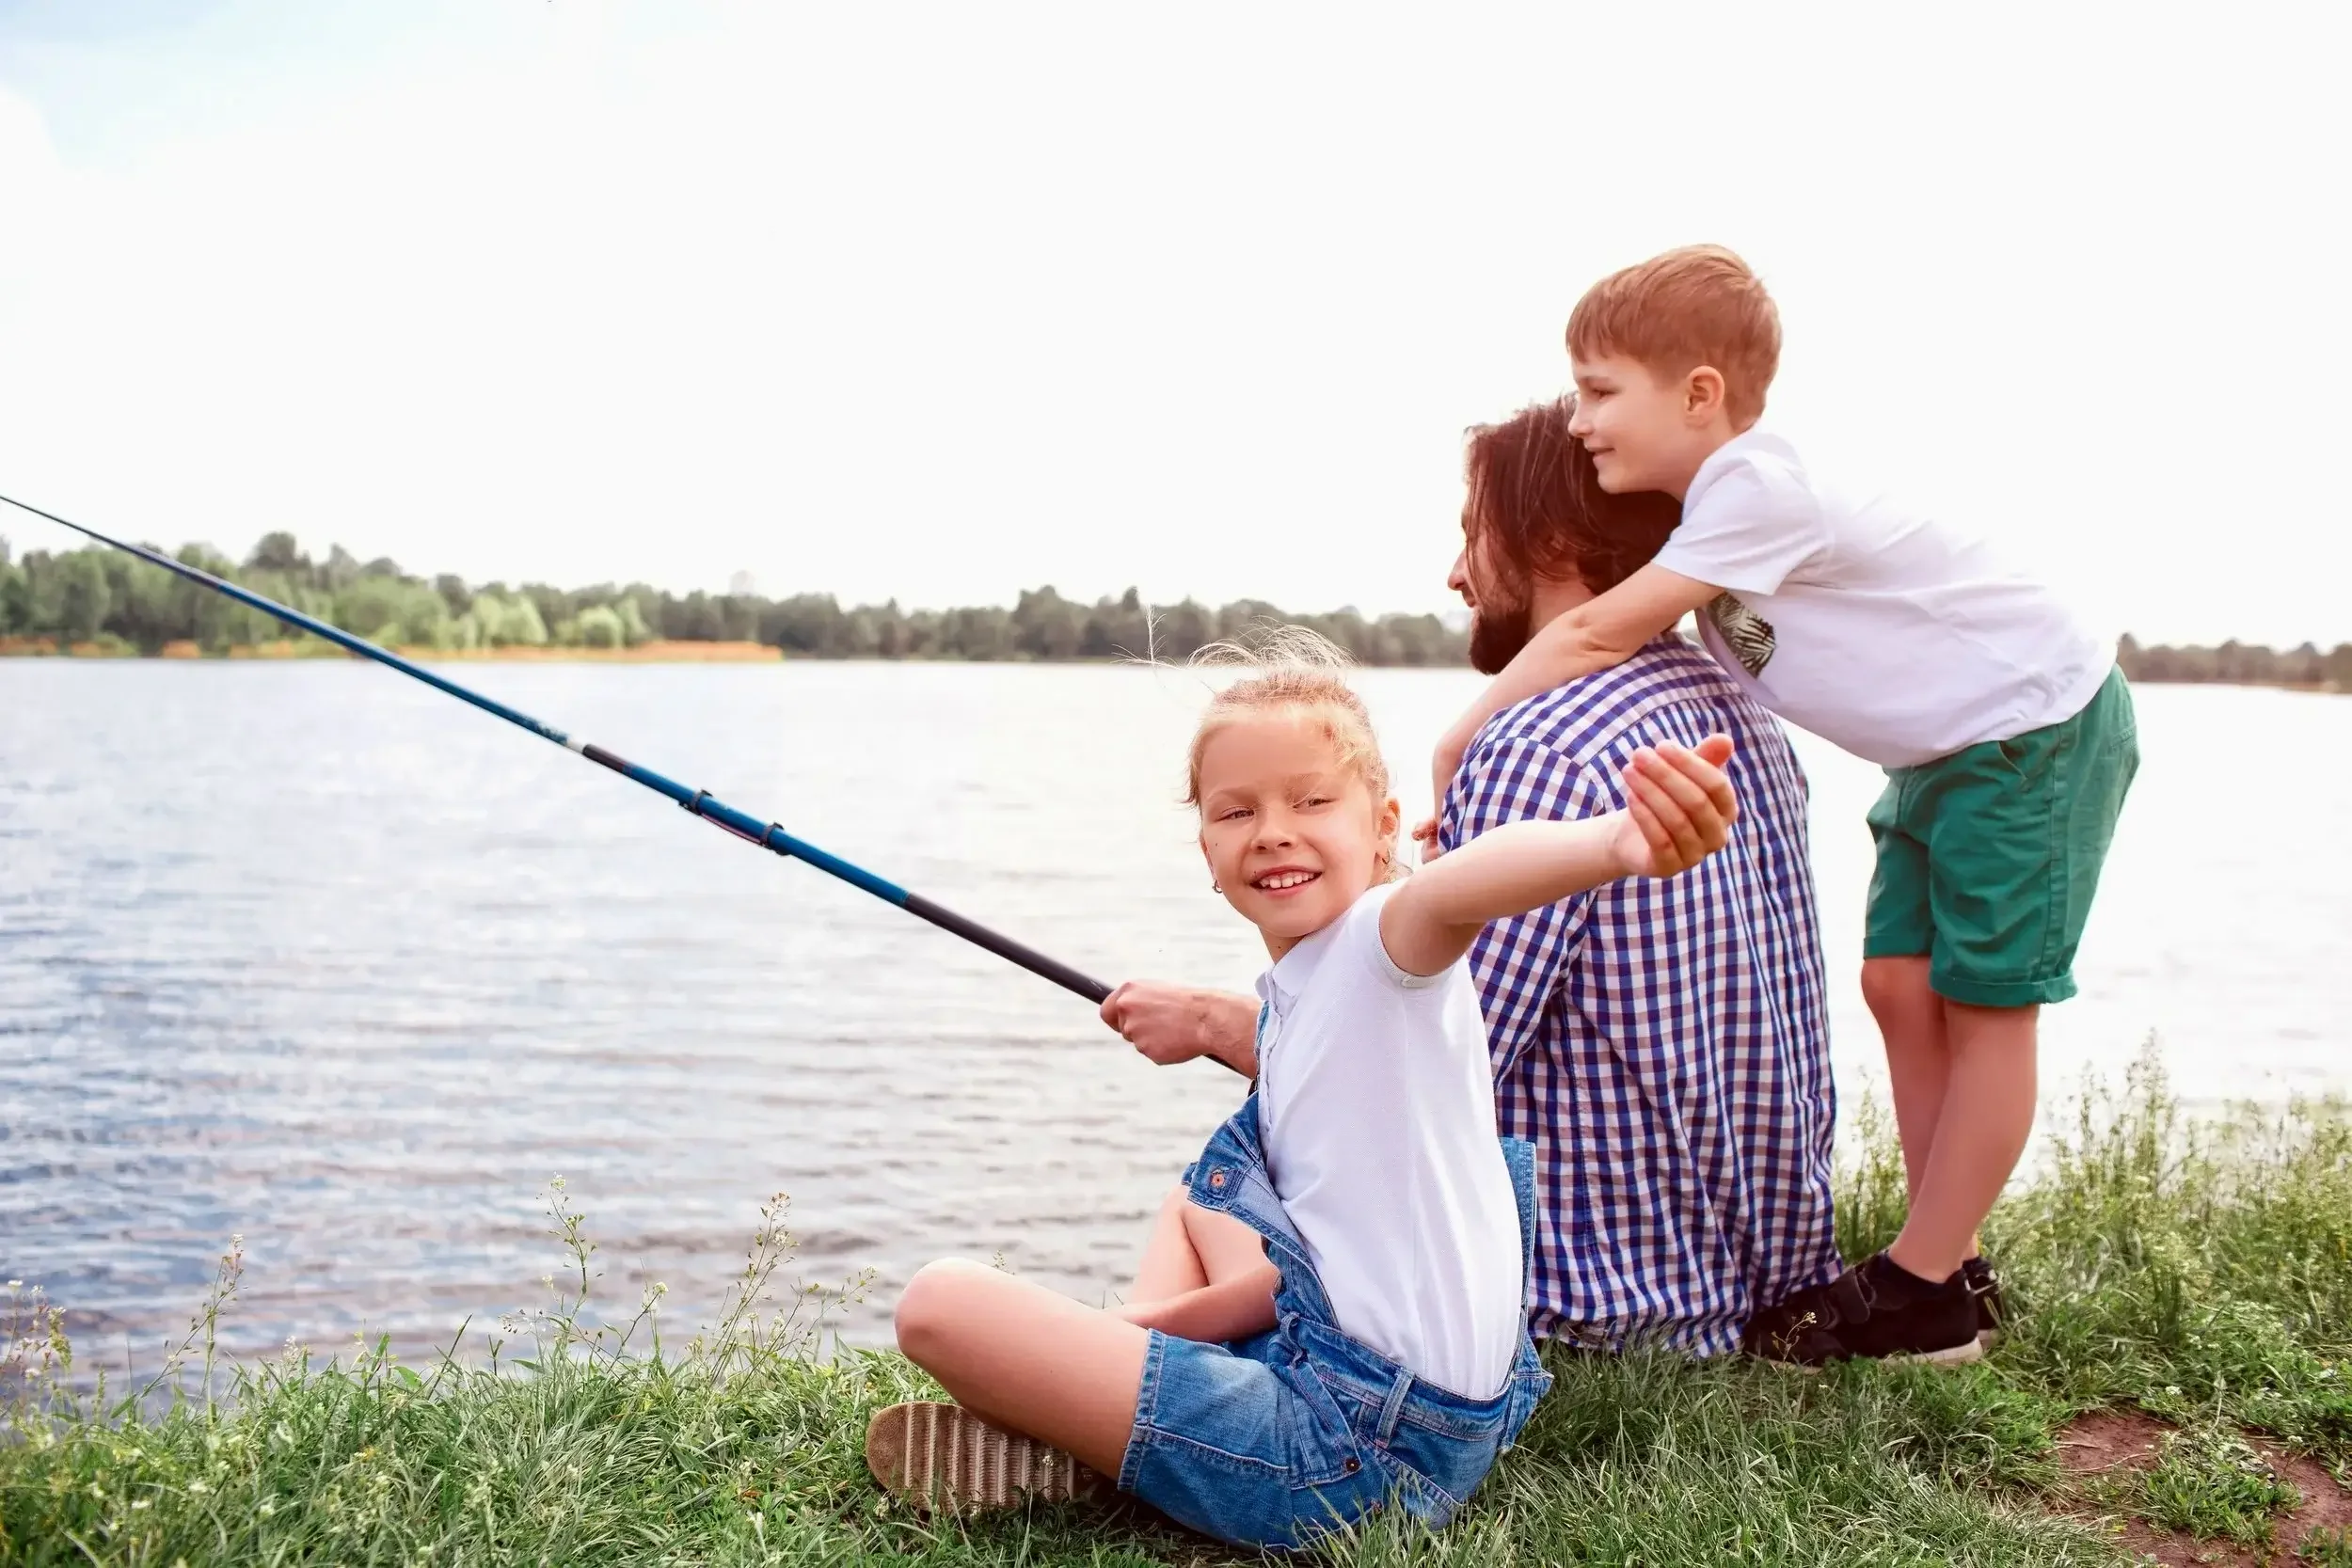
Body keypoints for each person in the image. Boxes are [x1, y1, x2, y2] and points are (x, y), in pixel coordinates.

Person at [865, 634, 1745, 1546]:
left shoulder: (1386, 945)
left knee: (938, 1303)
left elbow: (1454, 891)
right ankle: (1121, 1402)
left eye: (1312, 800)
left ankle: (1104, 1423)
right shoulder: (1319, 990)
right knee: (1192, 1204)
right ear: (1205, 848)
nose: (1273, 829)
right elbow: (1300, 1051)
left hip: (1352, 1450)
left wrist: (1615, 839)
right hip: (1432, 1415)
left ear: (1384, 823)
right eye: (1234, 811)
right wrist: (1207, 1022)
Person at [1428, 245, 2139, 1365]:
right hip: (1950, 755)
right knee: (1897, 985)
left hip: (2031, 729)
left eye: (1600, 392)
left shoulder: (1758, 485)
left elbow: (1595, 627)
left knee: (1991, 1004)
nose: (1578, 422)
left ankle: (1922, 1285)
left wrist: (1455, 747)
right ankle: (1939, 1255)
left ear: (1700, 393)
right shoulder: (1715, 538)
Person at [1113, 397, 1845, 1359]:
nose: (1456, 573)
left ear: (1545, 537)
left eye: (1472, 536)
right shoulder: (1738, 710)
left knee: (1224, 1175)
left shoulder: (1539, 741)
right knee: (1228, 1176)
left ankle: (1115, 1359)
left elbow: (1404, 1060)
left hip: (1595, 1303)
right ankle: (1127, 1356)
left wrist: (1212, 1023)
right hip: (1761, 1273)